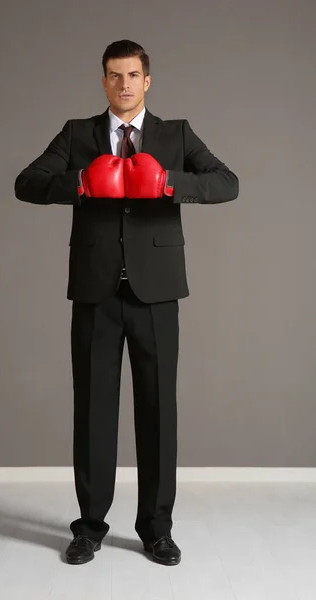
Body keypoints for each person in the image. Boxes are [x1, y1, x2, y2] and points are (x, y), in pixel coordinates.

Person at [14, 39, 239, 566]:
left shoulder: (174, 134)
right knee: (93, 411)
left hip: (157, 294)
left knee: (159, 411)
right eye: (114, 76)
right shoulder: (78, 134)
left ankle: (157, 529)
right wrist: (80, 184)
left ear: (147, 80)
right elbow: (27, 182)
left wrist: (166, 184)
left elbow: (227, 182)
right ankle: (90, 527)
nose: (124, 85)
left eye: (133, 75)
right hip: (96, 292)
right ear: (103, 82)